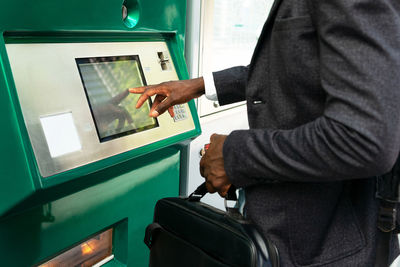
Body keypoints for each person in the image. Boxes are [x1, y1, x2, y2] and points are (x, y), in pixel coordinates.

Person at [130, 0, 400, 266]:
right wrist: (201, 85)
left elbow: (364, 138)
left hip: (323, 245)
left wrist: (235, 156)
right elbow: (302, 69)